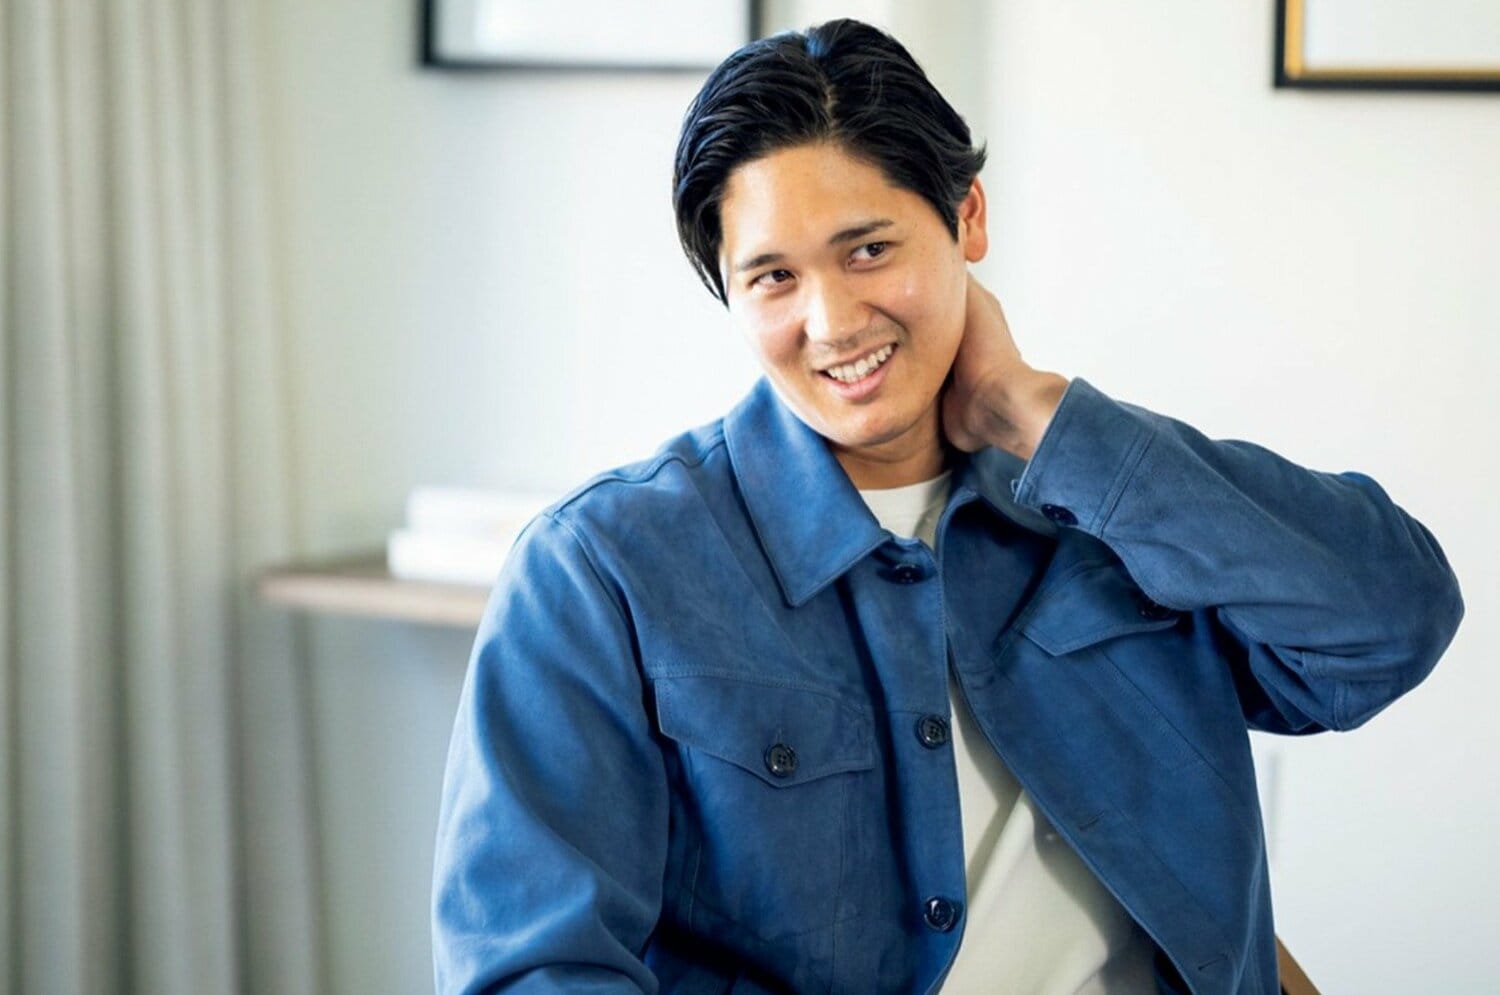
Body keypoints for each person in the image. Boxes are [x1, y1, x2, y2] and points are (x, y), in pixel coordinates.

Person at [431, 18, 1463, 995]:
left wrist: (1039, 414)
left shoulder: (1111, 506)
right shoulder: (599, 570)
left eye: (868, 250)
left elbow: (1391, 623)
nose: (833, 321)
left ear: (967, 217)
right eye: (774, 277)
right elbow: (533, 965)